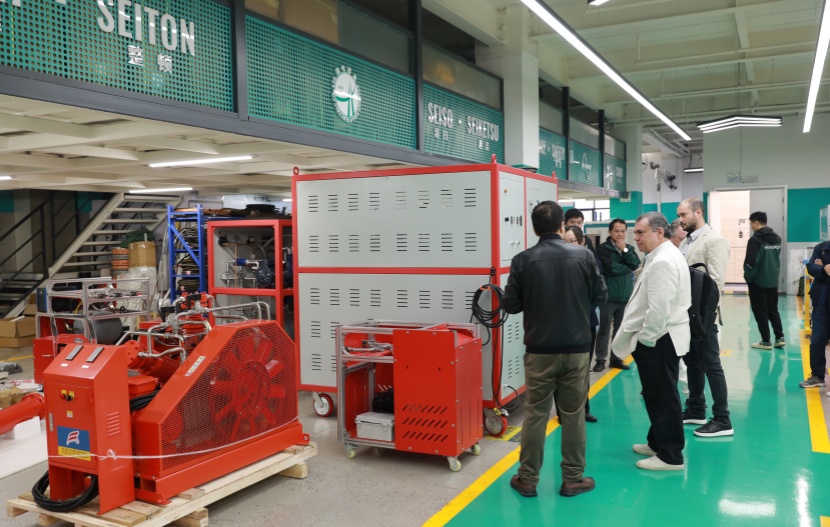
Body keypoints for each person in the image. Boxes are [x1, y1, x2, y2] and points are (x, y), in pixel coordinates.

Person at [503, 201, 607, 498]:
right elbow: (600, 295)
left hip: (540, 350)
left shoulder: (522, 260)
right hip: (577, 348)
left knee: (536, 413)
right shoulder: (584, 256)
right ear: (563, 226)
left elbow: (510, 305)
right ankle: (572, 478)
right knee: (573, 413)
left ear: (534, 228)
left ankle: (527, 479)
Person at [612, 212, 691, 471]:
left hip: (659, 340)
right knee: (658, 394)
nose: (635, 238)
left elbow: (659, 310)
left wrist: (645, 341)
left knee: (663, 397)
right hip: (662, 338)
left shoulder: (663, 261)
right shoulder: (661, 256)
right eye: (634, 232)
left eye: (640, 232)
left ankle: (670, 456)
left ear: (659, 232)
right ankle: (657, 442)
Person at [676, 197, 734, 437]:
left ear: (698, 212)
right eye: (679, 216)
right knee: (692, 362)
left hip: (703, 315)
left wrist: (702, 315)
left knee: (711, 364)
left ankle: (722, 419)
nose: (680, 220)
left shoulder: (714, 240)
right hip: (687, 314)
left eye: (683, 215)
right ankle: (696, 408)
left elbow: (716, 282)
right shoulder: (685, 242)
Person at [594, 219, 640, 372]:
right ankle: (600, 359)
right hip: (608, 297)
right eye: (616, 231)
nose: (620, 234)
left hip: (625, 297)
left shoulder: (629, 248)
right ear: (610, 232)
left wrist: (625, 250)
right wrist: (627, 268)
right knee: (604, 330)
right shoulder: (602, 249)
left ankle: (616, 358)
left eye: (623, 231)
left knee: (620, 331)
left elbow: (635, 264)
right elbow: (610, 268)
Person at [564, 225, 600, 423]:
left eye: (572, 241)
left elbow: (598, 293)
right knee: (564, 370)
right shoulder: (558, 264)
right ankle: (563, 411)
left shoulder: (590, 262)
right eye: (565, 242)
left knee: (583, 368)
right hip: (563, 324)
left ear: (582, 242)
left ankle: (584, 408)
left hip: (585, 322)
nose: (569, 246)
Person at [743, 211, 785, 350]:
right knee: (773, 310)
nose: (751, 227)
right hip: (772, 281)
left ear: (756, 223)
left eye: (751, 224)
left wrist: (748, 278)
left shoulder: (755, 240)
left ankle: (766, 341)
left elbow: (750, 262)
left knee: (760, 311)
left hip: (758, 281)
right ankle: (780, 337)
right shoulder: (777, 238)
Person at [800, 239, 830, 389]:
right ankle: (817, 376)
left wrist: (822, 268)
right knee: (817, 340)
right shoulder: (821, 248)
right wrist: (825, 269)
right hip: (821, 302)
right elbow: (811, 267)